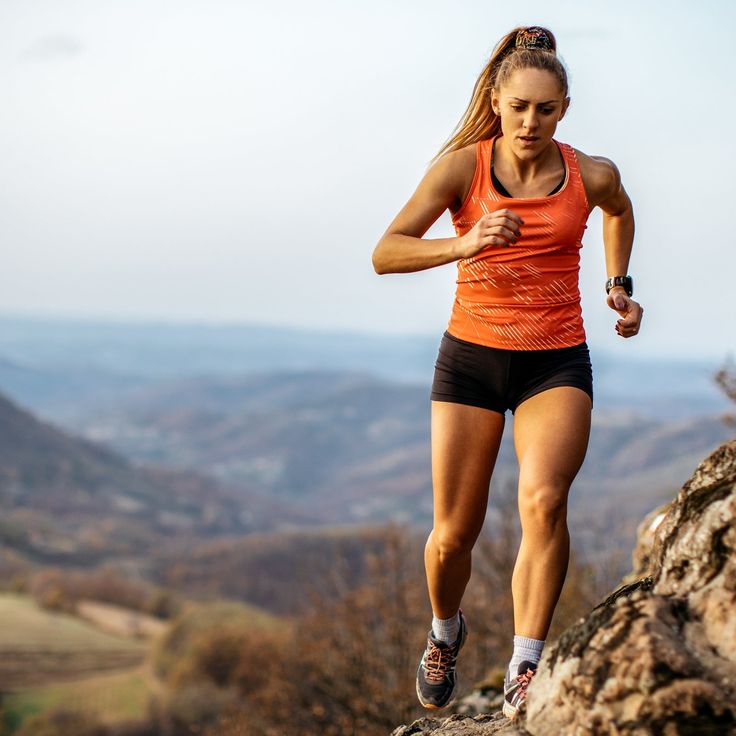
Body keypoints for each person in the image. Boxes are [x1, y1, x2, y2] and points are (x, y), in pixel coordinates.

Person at [371, 26, 644, 720]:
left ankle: (527, 664)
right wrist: (465, 242)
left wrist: (617, 283)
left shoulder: (592, 173)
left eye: (545, 109)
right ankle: (444, 632)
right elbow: (386, 251)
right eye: (519, 107)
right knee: (451, 538)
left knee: (544, 503)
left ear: (564, 110)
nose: (530, 121)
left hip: (556, 360)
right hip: (471, 360)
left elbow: (619, 209)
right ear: (498, 100)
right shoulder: (463, 168)